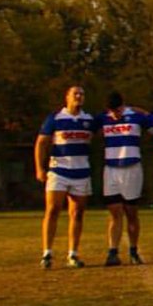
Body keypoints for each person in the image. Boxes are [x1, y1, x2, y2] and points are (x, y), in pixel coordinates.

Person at [35, 86, 98, 269]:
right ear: (67, 97)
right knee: (53, 210)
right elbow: (41, 143)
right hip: (58, 170)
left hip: (81, 171)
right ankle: (47, 253)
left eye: (81, 94)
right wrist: (39, 168)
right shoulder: (55, 118)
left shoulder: (89, 120)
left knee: (77, 213)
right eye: (75, 94)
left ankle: (73, 254)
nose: (78, 96)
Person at [98, 91, 153, 266]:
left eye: (118, 110)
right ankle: (112, 251)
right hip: (111, 169)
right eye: (112, 111)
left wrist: (145, 113)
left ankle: (133, 251)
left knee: (131, 212)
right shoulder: (103, 118)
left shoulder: (135, 116)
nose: (115, 114)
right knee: (114, 212)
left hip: (131, 169)